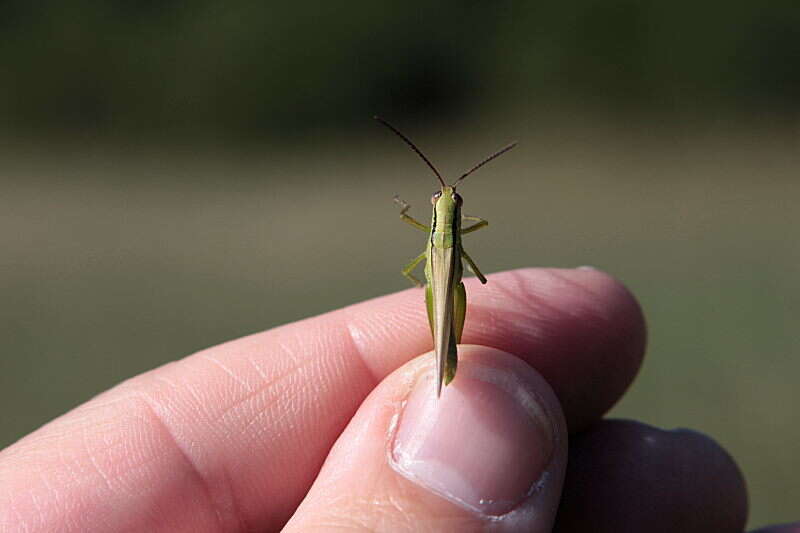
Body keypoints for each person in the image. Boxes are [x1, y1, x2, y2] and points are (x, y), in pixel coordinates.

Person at [0, 268, 794, 532]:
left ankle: (447, 382)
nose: (447, 213)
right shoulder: (434, 232)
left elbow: (452, 256)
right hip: (437, 298)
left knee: (452, 317)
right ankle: (448, 386)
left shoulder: (454, 226)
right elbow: (433, 258)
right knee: (441, 324)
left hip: (451, 293)